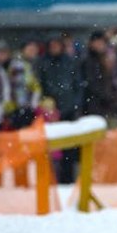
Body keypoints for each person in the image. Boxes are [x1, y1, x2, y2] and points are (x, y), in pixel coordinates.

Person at [37, 36, 83, 183]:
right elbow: (41, 86)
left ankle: (68, 180)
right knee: (52, 151)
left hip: (68, 112)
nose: (55, 48)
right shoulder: (44, 63)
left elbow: (78, 87)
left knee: (69, 150)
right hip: (51, 114)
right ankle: (51, 179)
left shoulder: (70, 63)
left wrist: (74, 106)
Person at [81, 30, 117, 127]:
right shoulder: (88, 61)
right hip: (95, 107)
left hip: (111, 107)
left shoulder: (110, 59)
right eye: (98, 42)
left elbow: (116, 82)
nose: (100, 45)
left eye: (102, 42)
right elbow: (92, 84)